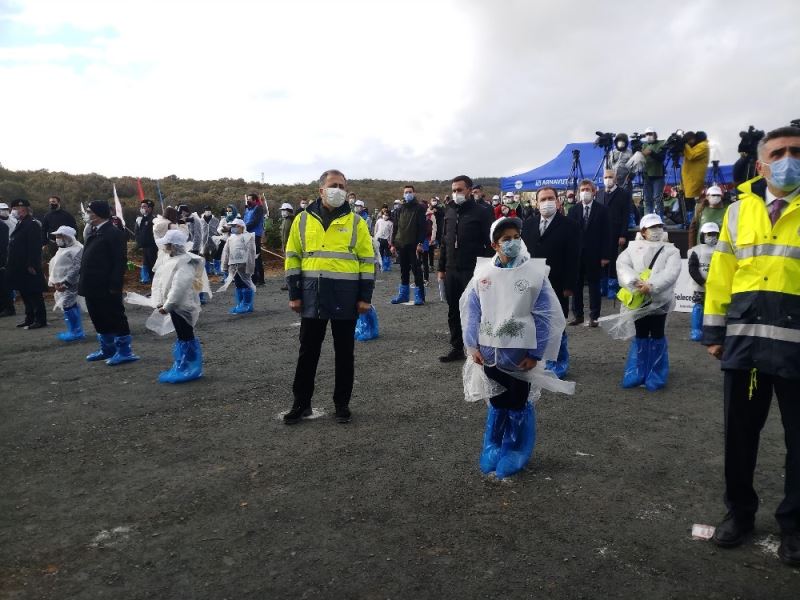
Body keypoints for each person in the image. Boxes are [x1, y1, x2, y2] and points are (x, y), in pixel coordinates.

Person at [702, 126, 800, 565]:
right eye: (778, 152)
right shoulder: (739, 211)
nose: (787, 159)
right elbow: (722, 272)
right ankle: (739, 513)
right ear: (760, 164)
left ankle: (794, 527)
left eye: (796, 151)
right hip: (745, 344)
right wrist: (714, 331)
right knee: (740, 438)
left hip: (796, 345)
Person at [461, 216, 565, 478]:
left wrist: (536, 353)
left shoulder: (533, 274)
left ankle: (516, 449)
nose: (513, 242)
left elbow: (544, 315)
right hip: (489, 355)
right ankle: (494, 446)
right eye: (506, 239)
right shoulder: (483, 274)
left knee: (517, 402)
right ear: (495, 245)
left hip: (520, 357)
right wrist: (472, 345)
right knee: (497, 402)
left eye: (516, 237)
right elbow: (472, 311)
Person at [283, 169, 375, 424]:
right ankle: (301, 404)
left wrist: (365, 297)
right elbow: (292, 257)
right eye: (334, 185)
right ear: (321, 189)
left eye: (343, 186)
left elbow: (367, 262)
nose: (339, 190)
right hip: (312, 296)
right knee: (307, 353)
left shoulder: (356, 222)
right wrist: (294, 293)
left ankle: (342, 405)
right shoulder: (302, 220)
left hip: (346, 297)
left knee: (345, 354)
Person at [603, 213, 680, 391]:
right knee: (641, 334)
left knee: (658, 334)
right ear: (643, 231)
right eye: (652, 228)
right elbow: (622, 266)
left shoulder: (671, 250)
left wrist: (652, 286)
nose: (656, 231)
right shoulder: (632, 249)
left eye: (659, 227)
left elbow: (671, 273)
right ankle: (638, 372)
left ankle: (656, 374)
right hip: (640, 299)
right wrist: (635, 283)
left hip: (660, 300)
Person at [521, 187, 580, 378]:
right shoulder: (528, 224)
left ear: (557, 201)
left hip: (558, 283)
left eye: (550, 198)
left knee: (557, 322)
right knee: (535, 321)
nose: (547, 202)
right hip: (533, 283)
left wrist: (570, 285)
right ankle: (540, 358)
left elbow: (574, 258)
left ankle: (559, 361)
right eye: (543, 199)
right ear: (537, 203)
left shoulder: (570, 225)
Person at [437, 175, 494, 362]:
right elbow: (445, 242)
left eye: (459, 190)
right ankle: (456, 347)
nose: (456, 193)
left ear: (469, 190)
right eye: (453, 190)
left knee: (476, 310)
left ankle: (478, 348)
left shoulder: (482, 212)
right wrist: (441, 268)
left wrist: (487, 268)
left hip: (474, 270)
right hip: (452, 269)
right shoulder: (449, 211)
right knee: (453, 309)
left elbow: (490, 243)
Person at [79, 200, 139, 365]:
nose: (88, 215)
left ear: (98, 214)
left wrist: (114, 285)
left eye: (90, 212)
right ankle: (107, 349)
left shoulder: (114, 233)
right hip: (91, 284)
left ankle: (125, 351)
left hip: (106, 285)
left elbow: (119, 262)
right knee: (97, 316)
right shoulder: (93, 231)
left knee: (114, 316)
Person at [152, 229, 208, 383]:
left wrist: (167, 306)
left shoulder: (185, 263)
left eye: (167, 244)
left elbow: (179, 288)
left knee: (186, 335)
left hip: (183, 306)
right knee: (182, 336)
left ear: (174, 245)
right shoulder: (171, 260)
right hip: (176, 306)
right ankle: (184, 365)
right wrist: (161, 301)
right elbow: (162, 282)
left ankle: (191, 367)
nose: (164, 247)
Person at [567, 179, 611, 327]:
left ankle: (594, 316)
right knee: (576, 286)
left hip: (595, 254)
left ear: (593, 192)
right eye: (582, 189)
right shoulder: (573, 210)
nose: (585, 192)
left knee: (594, 286)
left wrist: (605, 256)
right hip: (576, 256)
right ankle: (578, 315)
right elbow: (570, 235)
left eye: (588, 189)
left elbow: (607, 234)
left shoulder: (602, 210)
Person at [7, 199, 47, 329]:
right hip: (19, 266)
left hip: (28, 266)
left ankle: (39, 319)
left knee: (34, 293)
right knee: (25, 293)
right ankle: (29, 318)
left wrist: (31, 264)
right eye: (15, 209)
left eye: (19, 209)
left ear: (25, 210)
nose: (17, 211)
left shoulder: (32, 224)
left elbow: (34, 246)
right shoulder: (21, 223)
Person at [596, 168, 634, 299]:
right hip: (600, 233)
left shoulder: (623, 194)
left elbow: (625, 216)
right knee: (601, 260)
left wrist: (623, 234)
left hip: (616, 233)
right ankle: (603, 286)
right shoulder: (599, 193)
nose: (608, 179)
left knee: (613, 260)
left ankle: (613, 286)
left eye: (610, 177)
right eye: (606, 177)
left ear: (616, 178)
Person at [390, 185, 427, 306]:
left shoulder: (420, 208)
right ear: (403, 194)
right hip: (401, 244)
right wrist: (393, 244)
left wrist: (420, 243)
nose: (408, 194)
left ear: (414, 193)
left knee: (416, 270)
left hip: (414, 244)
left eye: (410, 192)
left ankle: (419, 296)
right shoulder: (399, 209)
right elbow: (395, 227)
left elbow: (423, 227)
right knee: (403, 270)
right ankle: (403, 295)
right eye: (406, 192)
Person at [47, 226, 85, 342]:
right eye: (56, 236)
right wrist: (54, 281)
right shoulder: (62, 249)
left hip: (70, 283)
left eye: (60, 236)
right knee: (68, 306)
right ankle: (74, 330)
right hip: (61, 283)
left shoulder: (77, 249)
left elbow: (76, 268)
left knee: (69, 305)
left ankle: (76, 332)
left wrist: (66, 283)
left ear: (68, 237)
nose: (57, 239)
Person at [687, 222, 718, 342]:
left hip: (716, 285)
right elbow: (692, 268)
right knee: (699, 307)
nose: (712, 237)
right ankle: (696, 329)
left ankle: (711, 330)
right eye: (709, 234)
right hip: (699, 287)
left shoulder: (721, 249)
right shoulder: (696, 250)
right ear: (702, 236)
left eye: (715, 234)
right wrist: (702, 282)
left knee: (714, 309)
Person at [220, 217, 256, 314]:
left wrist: (250, 266)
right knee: (238, 285)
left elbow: (251, 252)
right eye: (232, 226)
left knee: (246, 284)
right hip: (233, 266)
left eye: (235, 226)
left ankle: (247, 304)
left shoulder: (248, 237)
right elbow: (226, 252)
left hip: (244, 266)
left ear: (241, 227)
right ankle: (240, 304)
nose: (233, 228)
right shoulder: (231, 238)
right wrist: (224, 266)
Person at [681, 131, 711, 225]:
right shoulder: (697, 146)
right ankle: (688, 221)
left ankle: (693, 222)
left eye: (691, 140)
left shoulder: (703, 146)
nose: (691, 142)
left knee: (690, 200)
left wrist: (684, 144)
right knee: (687, 199)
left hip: (694, 177)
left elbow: (691, 155)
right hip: (689, 177)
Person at [641, 128, 667, 216]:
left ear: (655, 134)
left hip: (658, 176)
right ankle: (648, 219)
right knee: (647, 199)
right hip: (646, 176)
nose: (648, 136)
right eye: (646, 134)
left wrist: (651, 153)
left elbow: (661, 158)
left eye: (650, 134)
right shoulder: (644, 145)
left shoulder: (662, 143)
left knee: (657, 199)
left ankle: (660, 220)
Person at [243, 193, 265, 285]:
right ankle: (253, 278)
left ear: (255, 200)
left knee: (256, 256)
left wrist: (243, 227)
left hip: (255, 234)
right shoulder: (248, 209)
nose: (248, 201)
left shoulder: (258, 208)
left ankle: (260, 279)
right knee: (250, 257)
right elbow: (245, 220)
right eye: (247, 199)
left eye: (250, 199)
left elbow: (254, 222)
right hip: (248, 234)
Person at [134, 199, 157, 284]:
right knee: (147, 267)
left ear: (150, 208)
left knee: (153, 268)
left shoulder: (153, 219)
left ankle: (155, 287)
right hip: (144, 248)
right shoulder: (141, 219)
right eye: (141, 206)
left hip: (152, 248)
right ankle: (152, 287)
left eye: (144, 206)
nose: (142, 208)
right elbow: (138, 233)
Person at [215, 204, 239, 276]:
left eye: (230, 211)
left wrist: (231, 229)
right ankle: (225, 276)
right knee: (224, 258)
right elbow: (218, 229)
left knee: (233, 259)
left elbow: (240, 229)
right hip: (225, 240)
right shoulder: (224, 219)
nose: (228, 212)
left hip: (234, 241)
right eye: (227, 211)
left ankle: (233, 275)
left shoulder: (237, 219)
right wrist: (222, 230)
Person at [0, 203, 15, 317]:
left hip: (4, 259)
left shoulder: (4, 226)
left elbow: (3, 245)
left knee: (4, 286)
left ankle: (8, 308)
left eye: (6, 209)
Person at [198, 205, 220, 277]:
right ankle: (207, 271)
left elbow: (218, 229)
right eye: (206, 209)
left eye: (209, 209)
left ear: (211, 210)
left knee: (215, 255)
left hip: (214, 240)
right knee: (205, 255)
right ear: (204, 211)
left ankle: (217, 270)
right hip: (204, 241)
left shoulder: (216, 220)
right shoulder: (200, 220)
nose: (207, 211)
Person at [279, 203, 295, 291]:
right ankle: (288, 283)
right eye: (282, 210)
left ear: (289, 211)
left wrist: (285, 246)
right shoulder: (286, 220)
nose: (282, 212)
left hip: (289, 246)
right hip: (287, 246)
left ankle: (289, 284)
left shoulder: (289, 221)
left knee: (289, 266)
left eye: (284, 210)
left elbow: (286, 235)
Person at [421, 203, 437, 284]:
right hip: (420, 241)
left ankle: (425, 279)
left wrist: (432, 239)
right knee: (419, 261)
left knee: (424, 260)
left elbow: (433, 229)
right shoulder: (418, 216)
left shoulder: (430, 217)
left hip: (425, 241)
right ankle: (421, 279)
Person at [373, 208, 394, 273]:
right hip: (379, 238)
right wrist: (374, 237)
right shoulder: (379, 221)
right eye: (384, 215)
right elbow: (375, 230)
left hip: (386, 240)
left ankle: (387, 265)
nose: (385, 216)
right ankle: (380, 266)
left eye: (387, 215)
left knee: (387, 253)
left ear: (389, 216)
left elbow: (391, 233)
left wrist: (390, 241)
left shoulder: (390, 223)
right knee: (380, 253)